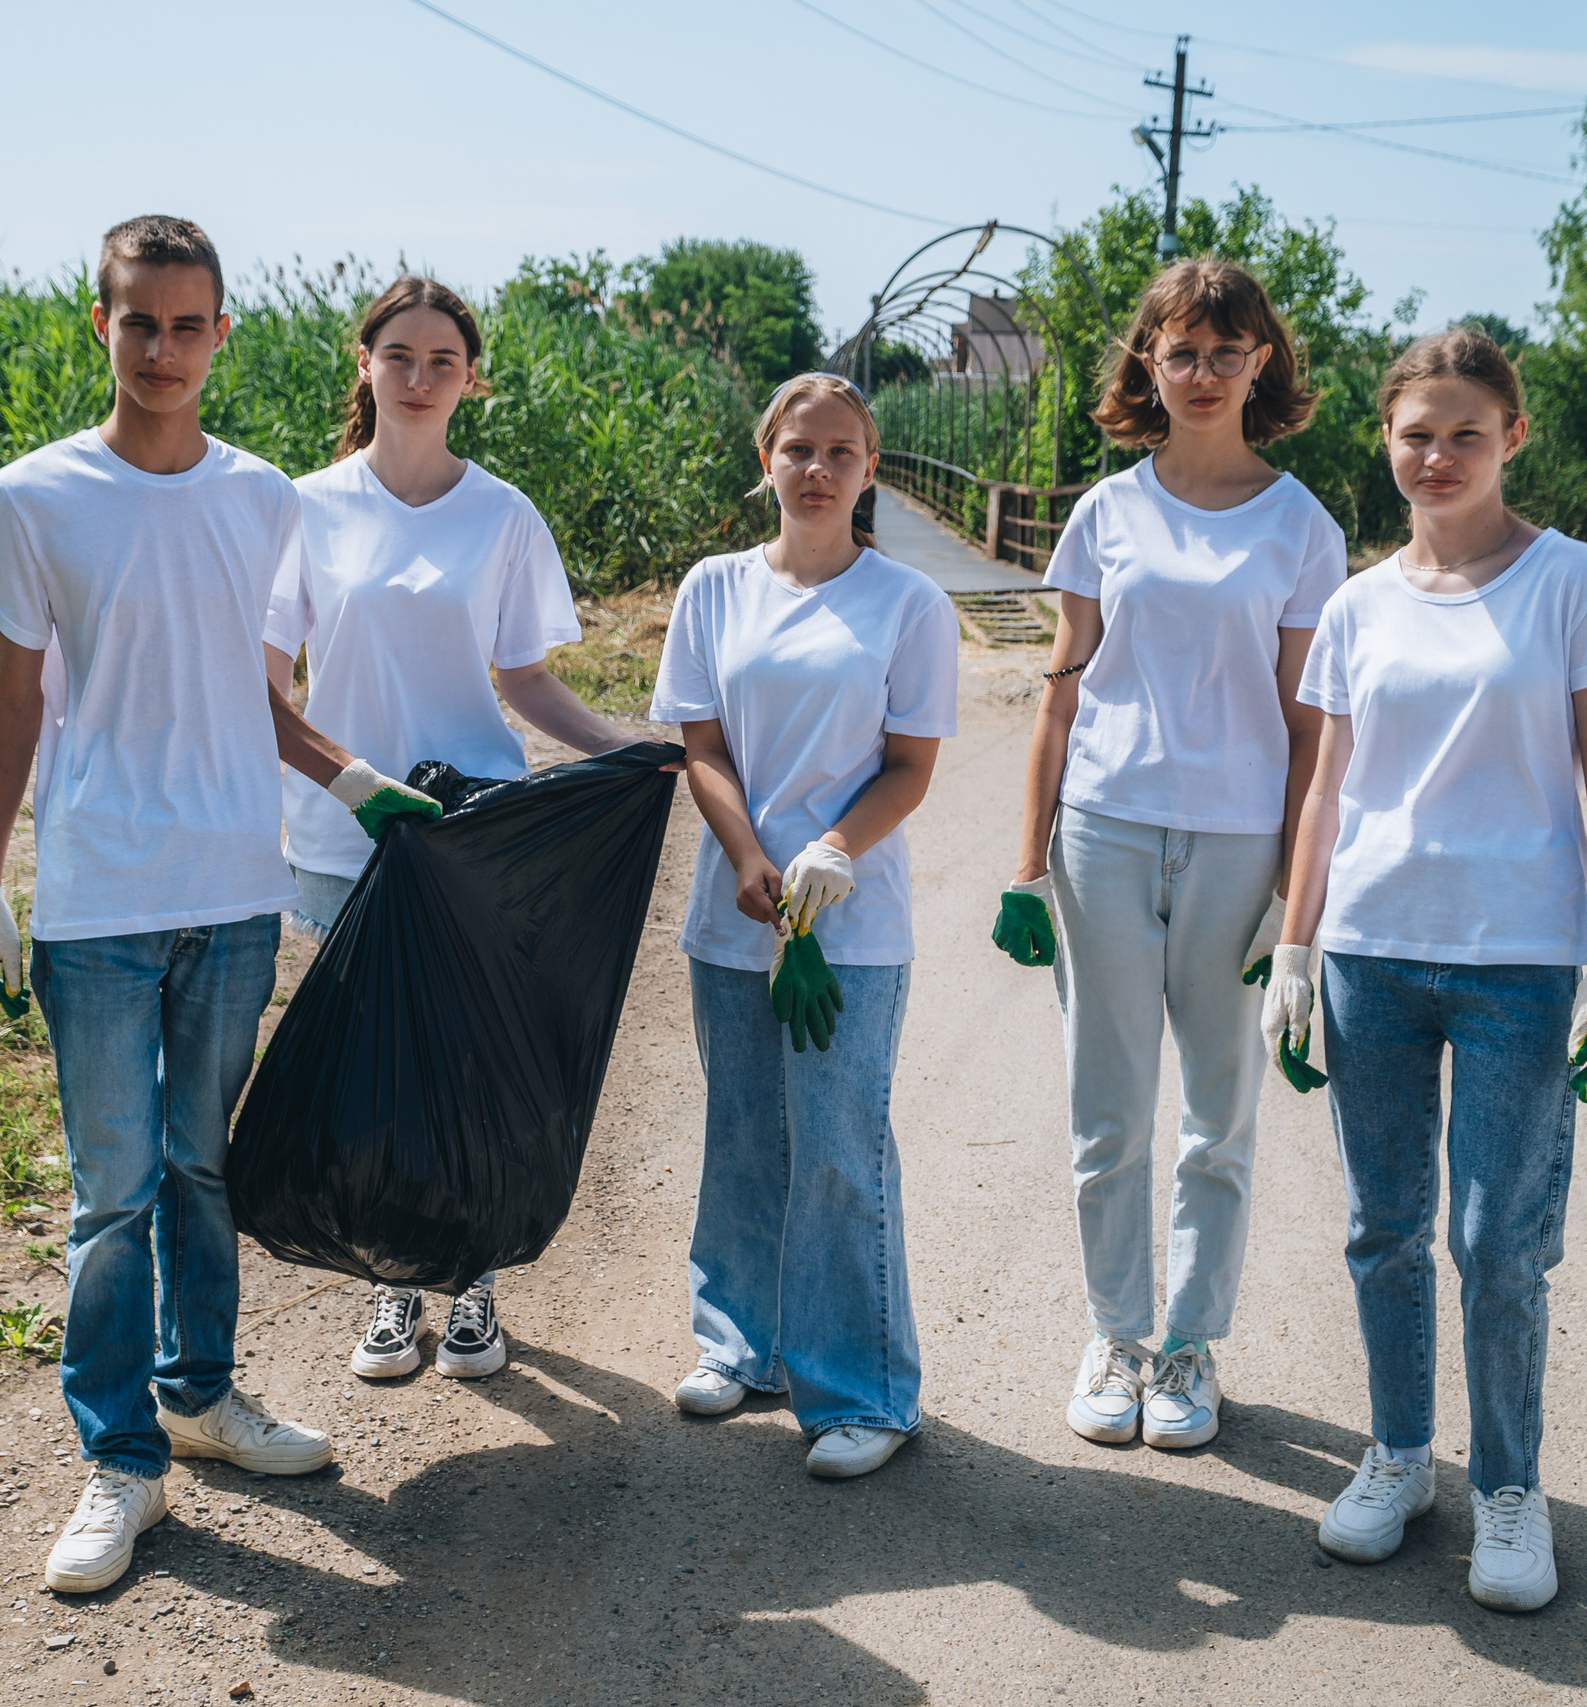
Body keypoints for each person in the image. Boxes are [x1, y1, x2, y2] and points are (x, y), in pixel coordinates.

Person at [0, 215, 441, 1597]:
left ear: (223, 333)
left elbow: (254, 692)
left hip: (233, 889)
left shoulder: (260, 497)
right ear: (100, 327)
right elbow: (13, 697)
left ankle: (202, 1398)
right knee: (112, 1195)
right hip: (99, 898)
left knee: (203, 1163)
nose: (161, 348)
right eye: (137, 322)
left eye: (186, 324)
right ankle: (120, 1458)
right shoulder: (36, 495)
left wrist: (353, 779)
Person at [1263, 325, 1587, 1612]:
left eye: (1464, 434)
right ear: (1385, 440)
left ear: (1511, 438)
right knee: (1382, 1229)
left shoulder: (1572, 584)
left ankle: (1506, 1483)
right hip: (1373, 954)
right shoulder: (1360, 605)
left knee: (1497, 1243)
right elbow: (1326, 786)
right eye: (1414, 434)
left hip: (1520, 966)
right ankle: (1393, 1456)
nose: (1436, 457)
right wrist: (1298, 946)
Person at [992, 257, 1346, 1452]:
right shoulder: (1105, 512)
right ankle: (1117, 1333)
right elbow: (1059, 690)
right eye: (1180, 351)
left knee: (1217, 1112)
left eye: (1226, 350)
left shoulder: (1302, 526)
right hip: (1103, 826)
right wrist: (1023, 863)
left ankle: (1190, 1345)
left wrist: (1295, 899)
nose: (1202, 372)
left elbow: (1311, 728)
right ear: (1148, 362)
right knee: (1107, 1110)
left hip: (1241, 842)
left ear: (1263, 365)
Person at [263, 274, 640, 1384]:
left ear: (471, 380)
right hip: (345, 833)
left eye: (443, 361)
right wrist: (346, 781)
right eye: (399, 356)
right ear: (364, 366)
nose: (419, 377)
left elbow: (523, 681)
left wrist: (634, 752)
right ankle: (392, 1291)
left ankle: (469, 1283)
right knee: (374, 1075)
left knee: (471, 1069)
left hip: (476, 836)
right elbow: (269, 680)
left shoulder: (504, 514)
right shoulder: (305, 507)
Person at [650, 372, 958, 1480]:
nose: (817, 469)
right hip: (733, 914)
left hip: (848, 927)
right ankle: (744, 1346)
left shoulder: (907, 605)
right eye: (799, 449)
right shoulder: (713, 590)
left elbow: (911, 765)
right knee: (742, 1134)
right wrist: (747, 855)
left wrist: (833, 849)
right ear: (766, 459)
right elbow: (702, 747)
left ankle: (866, 1390)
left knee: (836, 1147)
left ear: (870, 469)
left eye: (841, 452)